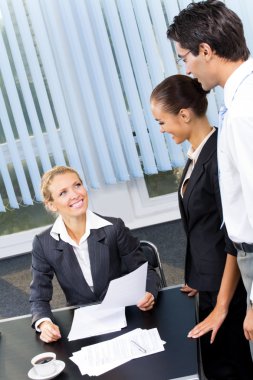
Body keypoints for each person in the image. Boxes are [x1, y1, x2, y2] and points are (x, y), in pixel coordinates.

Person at [150, 74, 253, 379]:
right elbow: (203, 226)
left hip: (228, 289)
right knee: (213, 364)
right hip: (209, 280)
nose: (161, 129)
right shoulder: (198, 155)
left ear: (184, 115)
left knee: (230, 367)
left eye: (161, 121)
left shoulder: (219, 157)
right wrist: (198, 274)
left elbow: (234, 236)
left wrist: (221, 305)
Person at [167, 0, 253, 347]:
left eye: (184, 56)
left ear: (206, 50)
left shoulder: (244, 111)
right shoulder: (239, 100)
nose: (187, 68)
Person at [30, 165, 160, 343]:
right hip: (84, 324)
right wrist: (44, 324)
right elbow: (38, 295)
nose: (75, 194)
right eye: (63, 193)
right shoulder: (43, 243)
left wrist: (149, 293)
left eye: (77, 185)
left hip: (127, 312)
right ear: (51, 205)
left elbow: (146, 271)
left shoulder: (113, 228)